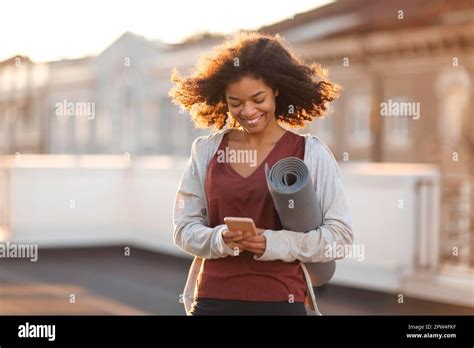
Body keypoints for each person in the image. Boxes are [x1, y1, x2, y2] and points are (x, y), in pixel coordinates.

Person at [171, 32, 353, 315]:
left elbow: (339, 239)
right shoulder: (206, 151)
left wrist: (273, 243)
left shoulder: (310, 153)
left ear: (276, 91)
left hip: (280, 301)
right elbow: (184, 230)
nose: (248, 111)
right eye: (236, 103)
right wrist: (220, 239)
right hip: (212, 301)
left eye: (258, 99)